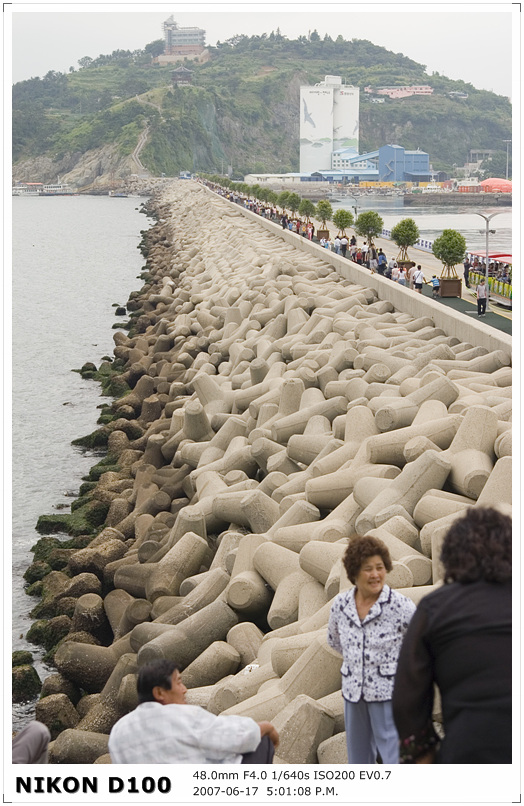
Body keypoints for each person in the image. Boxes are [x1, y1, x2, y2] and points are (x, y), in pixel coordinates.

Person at [392, 507, 511, 764]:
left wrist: (422, 754)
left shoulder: (434, 608)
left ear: (451, 557)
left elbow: (406, 698)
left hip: (469, 752)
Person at [327, 535, 416, 764]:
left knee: (394, 755)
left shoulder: (400, 605)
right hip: (353, 691)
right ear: (354, 572)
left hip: (388, 692)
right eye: (368, 569)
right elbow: (335, 641)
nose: (375, 574)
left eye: (380, 567)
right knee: (358, 757)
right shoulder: (340, 605)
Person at [108, 660, 279, 764]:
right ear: (159, 692)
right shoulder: (181, 715)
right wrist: (265, 728)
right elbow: (233, 737)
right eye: (179, 682)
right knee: (260, 741)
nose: (184, 690)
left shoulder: (117, 731)